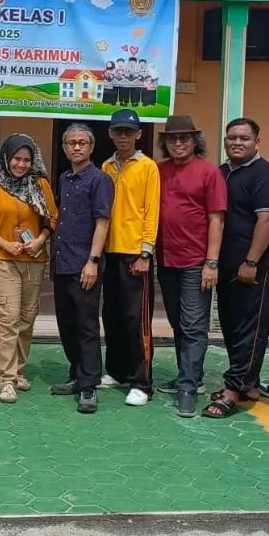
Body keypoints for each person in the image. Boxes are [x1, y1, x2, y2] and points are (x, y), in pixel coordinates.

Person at [0, 134, 57, 404]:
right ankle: (5, 379)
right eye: (16, 159)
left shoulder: (40, 184)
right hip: (3, 258)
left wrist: (40, 241)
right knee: (8, 318)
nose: (21, 165)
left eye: (26, 160)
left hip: (34, 258)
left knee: (26, 318)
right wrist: (5, 244)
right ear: (6, 159)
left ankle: (19, 370)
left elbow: (52, 219)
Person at [209, 118, 269, 419]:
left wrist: (251, 261)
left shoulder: (265, 175)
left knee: (250, 329)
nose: (237, 143)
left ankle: (232, 390)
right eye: (231, 138)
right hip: (225, 265)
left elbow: (266, 220)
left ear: (257, 142)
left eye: (244, 138)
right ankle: (248, 384)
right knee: (230, 324)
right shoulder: (223, 172)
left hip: (253, 267)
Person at [154, 115, 226, 418]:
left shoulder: (209, 173)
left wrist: (212, 262)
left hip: (197, 263)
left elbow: (216, 219)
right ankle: (189, 376)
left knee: (195, 326)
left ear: (196, 141)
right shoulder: (157, 171)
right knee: (178, 322)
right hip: (166, 259)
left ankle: (187, 388)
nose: (178, 143)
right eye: (172, 138)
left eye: (184, 138)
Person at [50, 123, 113, 414]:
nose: (77, 147)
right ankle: (76, 374)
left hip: (84, 265)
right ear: (64, 148)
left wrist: (93, 261)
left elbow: (103, 222)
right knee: (67, 324)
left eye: (82, 143)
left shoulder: (99, 179)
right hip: (62, 263)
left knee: (87, 326)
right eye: (71, 143)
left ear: (91, 147)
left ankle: (89, 386)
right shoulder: (64, 178)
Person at [100, 108, 161, 406]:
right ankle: (117, 370)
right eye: (118, 131)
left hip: (136, 254)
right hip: (110, 252)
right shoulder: (106, 166)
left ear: (138, 134)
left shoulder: (148, 167)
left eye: (128, 132)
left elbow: (152, 211)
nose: (123, 137)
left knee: (137, 321)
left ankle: (142, 382)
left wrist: (146, 252)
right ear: (111, 133)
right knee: (111, 316)